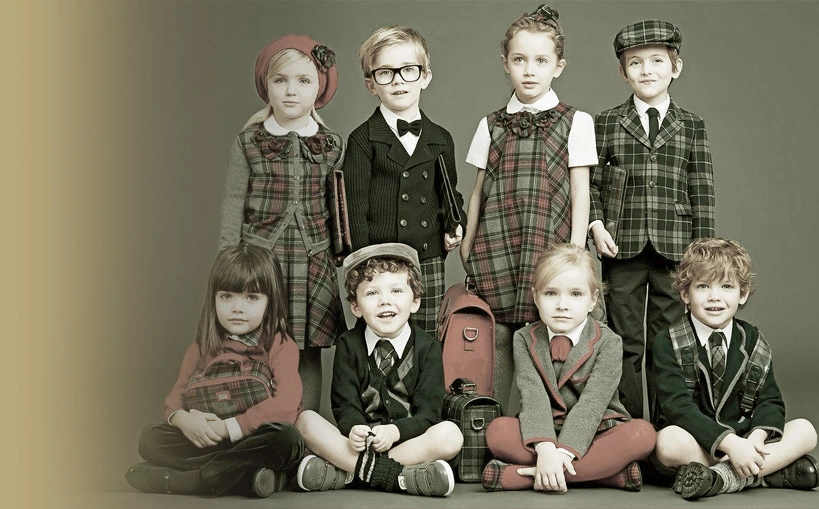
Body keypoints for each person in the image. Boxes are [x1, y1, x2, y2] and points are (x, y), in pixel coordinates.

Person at [460, 4, 597, 411]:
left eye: (541, 61)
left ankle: (544, 420)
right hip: (498, 241)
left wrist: (575, 251)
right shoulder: (491, 124)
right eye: (519, 60)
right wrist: (468, 244)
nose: (530, 70)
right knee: (500, 332)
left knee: (544, 330)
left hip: (550, 241)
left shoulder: (576, 121)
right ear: (506, 63)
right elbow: (479, 190)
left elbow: (581, 191)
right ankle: (494, 421)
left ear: (559, 66)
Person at [589, 20, 715, 420]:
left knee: (667, 341)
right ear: (622, 71)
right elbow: (590, 183)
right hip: (621, 246)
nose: (647, 70)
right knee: (624, 340)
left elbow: (702, 189)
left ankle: (666, 427)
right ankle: (627, 426)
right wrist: (595, 225)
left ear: (676, 67)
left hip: (676, 248)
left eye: (657, 61)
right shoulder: (606, 122)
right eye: (636, 63)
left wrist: (703, 252)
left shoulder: (691, 125)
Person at [218, 34, 345, 411]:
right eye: (281, 80)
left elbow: (339, 207)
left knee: (307, 352)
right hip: (260, 261)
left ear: (319, 88)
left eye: (303, 81)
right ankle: (260, 427)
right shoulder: (249, 143)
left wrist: (344, 256)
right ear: (266, 85)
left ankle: (304, 433)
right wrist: (229, 261)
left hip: (314, 261)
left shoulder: (331, 145)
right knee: (257, 347)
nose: (291, 91)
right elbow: (233, 201)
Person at [125, 245, 304, 497]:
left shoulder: (280, 344)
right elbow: (174, 398)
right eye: (226, 296)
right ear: (214, 298)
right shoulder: (201, 347)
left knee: (288, 439)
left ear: (270, 302)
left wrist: (228, 428)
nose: (237, 308)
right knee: (150, 438)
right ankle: (243, 475)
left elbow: (286, 405)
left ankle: (189, 480)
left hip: (250, 438)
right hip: (205, 439)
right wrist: (184, 420)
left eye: (252, 298)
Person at [481, 243, 656, 493]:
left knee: (643, 434)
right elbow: (533, 396)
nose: (562, 305)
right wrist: (545, 448)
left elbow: (592, 404)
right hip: (544, 429)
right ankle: (606, 475)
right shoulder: (523, 338)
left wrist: (563, 453)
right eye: (551, 293)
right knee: (497, 432)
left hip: (597, 430)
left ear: (593, 299)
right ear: (536, 297)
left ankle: (524, 476)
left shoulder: (609, 342)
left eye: (575, 294)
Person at [653, 238, 818, 500]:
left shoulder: (753, 339)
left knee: (806, 431)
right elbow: (678, 407)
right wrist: (730, 445)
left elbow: (770, 401)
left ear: (742, 294)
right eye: (703, 286)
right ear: (685, 294)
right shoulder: (668, 341)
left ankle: (720, 478)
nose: (714, 297)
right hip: (698, 440)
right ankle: (763, 474)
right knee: (667, 443)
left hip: (746, 438)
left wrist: (756, 439)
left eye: (726, 286)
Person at [294, 243, 463, 497]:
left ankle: (350, 473)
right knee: (305, 420)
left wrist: (395, 431)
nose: (385, 301)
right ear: (356, 306)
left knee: (450, 435)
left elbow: (428, 415)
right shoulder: (348, 345)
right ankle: (399, 477)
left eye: (396, 290)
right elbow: (345, 406)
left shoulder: (428, 348)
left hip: (406, 445)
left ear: (415, 301)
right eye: (372, 293)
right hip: (359, 446)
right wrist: (355, 429)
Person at [342, 26, 466, 336]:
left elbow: (449, 193)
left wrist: (455, 224)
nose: (398, 80)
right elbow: (354, 207)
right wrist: (363, 266)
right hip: (378, 261)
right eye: (386, 72)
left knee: (426, 340)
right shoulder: (362, 139)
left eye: (408, 70)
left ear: (425, 76)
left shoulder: (440, 138)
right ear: (371, 84)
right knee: (377, 339)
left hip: (427, 257)